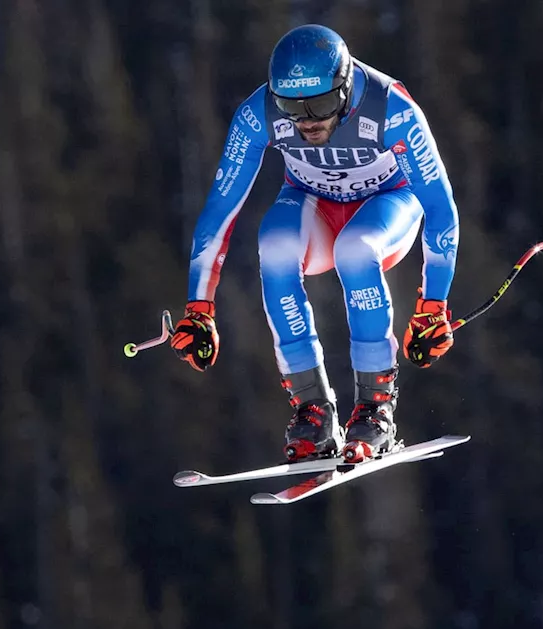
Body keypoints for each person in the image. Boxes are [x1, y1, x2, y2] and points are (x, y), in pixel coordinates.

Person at [171, 24, 460, 463]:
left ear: (343, 89)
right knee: (275, 245)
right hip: (314, 204)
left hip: (389, 204)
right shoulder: (259, 113)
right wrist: (199, 306)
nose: (307, 120)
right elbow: (220, 210)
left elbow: (440, 206)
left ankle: (375, 409)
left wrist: (433, 305)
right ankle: (311, 411)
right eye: (291, 107)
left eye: (322, 104)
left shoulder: (391, 107)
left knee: (357, 249)